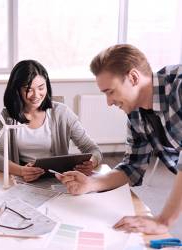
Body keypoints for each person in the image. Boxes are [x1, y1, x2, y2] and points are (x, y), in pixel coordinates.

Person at [56, 44, 182, 234]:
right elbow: (131, 168)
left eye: (110, 91)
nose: (109, 102)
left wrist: (163, 221)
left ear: (133, 77)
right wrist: (91, 183)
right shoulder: (136, 114)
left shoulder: (178, 86)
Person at [0, 60, 102, 182]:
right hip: (23, 179)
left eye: (41, 88)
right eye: (28, 89)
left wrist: (92, 162)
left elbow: (93, 149)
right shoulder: (7, 117)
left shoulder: (62, 113)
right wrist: (21, 170)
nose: (36, 95)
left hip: (58, 179)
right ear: (17, 90)